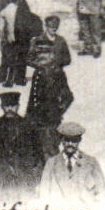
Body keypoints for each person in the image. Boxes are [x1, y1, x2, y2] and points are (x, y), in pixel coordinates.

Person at [0, 91, 44, 203]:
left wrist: (24, 167)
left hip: (23, 176)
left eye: (13, 106)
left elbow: (38, 152)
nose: (10, 109)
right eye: (6, 106)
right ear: (2, 107)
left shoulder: (28, 126)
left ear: (18, 106)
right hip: (0, 177)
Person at [26, 21, 75, 155]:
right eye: (51, 27)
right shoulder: (37, 41)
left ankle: (52, 141)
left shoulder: (61, 41)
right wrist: (41, 64)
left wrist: (57, 64)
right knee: (38, 111)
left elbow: (68, 59)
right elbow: (29, 58)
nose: (53, 30)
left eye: (55, 28)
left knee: (60, 104)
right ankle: (40, 144)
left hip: (57, 77)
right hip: (41, 78)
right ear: (46, 27)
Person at [40, 122, 105, 205]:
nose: (70, 144)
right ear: (61, 140)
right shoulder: (51, 163)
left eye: (74, 140)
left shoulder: (91, 162)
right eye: (67, 140)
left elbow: (100, 190)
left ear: (79, 140)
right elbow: (44, 192)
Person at [0, 0, 37, 87]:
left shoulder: (22, 1)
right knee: (7, 55)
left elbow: (28, 17)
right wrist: (2, 33)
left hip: (21, 33)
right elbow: (0, 17)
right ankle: (3, 76)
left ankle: (20, 78)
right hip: (8, 33)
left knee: (22, 55)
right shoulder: (3, 1)